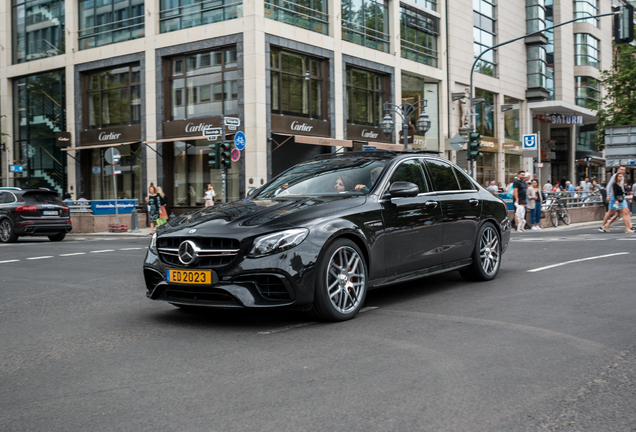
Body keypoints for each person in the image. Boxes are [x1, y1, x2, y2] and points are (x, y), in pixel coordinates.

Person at [599, 166, 626, 232]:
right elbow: (609, 185)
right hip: (614, 196)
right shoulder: (615, 176)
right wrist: (608, 195)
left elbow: (621, 187)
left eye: (624, 170)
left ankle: (606, 225)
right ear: (618, 169)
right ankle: (602, 225)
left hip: (619, 197)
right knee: (611, 211)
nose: (622, 171)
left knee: (618, 214)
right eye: (621, 169)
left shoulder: (622, 177)